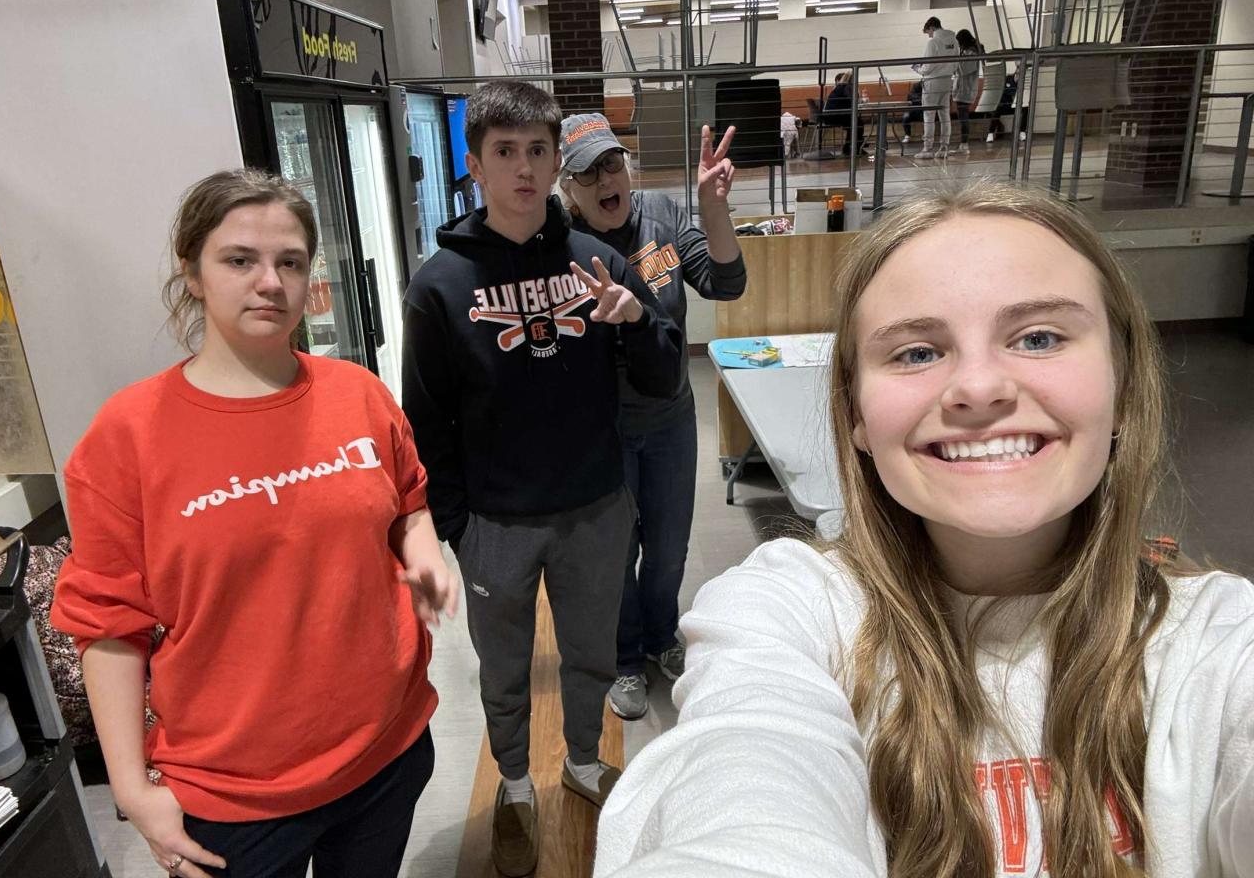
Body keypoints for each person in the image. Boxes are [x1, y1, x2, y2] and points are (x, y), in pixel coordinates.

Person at [593, 179, 1254, 878]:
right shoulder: (785, 611)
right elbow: (743, 772)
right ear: (855, 413)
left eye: (1038, 337)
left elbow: (722, 278)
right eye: (915, 352)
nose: (979, 388)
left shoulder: (1221, 642)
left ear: (1124, 383)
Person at [50, 169, 457, 878]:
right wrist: (132, 789)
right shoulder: (129, 434)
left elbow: (406, 500)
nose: (270, 282)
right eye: (240, 260)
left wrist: (423, 553)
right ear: (193, 272)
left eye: (290, 262)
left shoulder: (358, 394)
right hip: (233, 794)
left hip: (385, 752)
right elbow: (108, 625)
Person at [401, 81, 682, 877]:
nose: (523, 169)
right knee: (505, 669)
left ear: (558, 162)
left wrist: (637, 319)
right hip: (495, 523)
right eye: (505, 152)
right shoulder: (439, 284)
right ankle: (517, 785)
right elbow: (424, 420)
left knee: (592, 652)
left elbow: (663, 377)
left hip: (595, 505)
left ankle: (584, 764)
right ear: (475, 164)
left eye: (537, 151)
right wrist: (457, 526)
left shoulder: (599, 261)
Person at [558, 114, 748, 721]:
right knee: (616, 552)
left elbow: (725, 282)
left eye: (611, 163)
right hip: (599, 431)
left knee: (667, 548)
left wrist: (712, 210)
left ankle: (662, 635)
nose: (604, 180)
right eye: (587, 173)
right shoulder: (557, 243)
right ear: (568, 189)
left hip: (669, 419)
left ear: (627, 166)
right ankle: (624, 657)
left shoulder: (662, 215)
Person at [912, 16, 958, 160]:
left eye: (928, 32)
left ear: (932, 27)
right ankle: (944, 146)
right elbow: (956, 63)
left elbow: (928, 66)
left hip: (932, 81)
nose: (929, 36)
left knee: (929, 115)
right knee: (945, 115)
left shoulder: (933, 42)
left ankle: (927, 148)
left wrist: (917, 69)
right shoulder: (954, 41)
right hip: (947, 80)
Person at [953, 29, 984, 155]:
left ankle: (964, 144)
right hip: (962, 89)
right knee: (962, 117)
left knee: (963, 118)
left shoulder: (971, 53)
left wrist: (955, 60)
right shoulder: (967, 52)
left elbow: (963, 70)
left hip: (965, 89)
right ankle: (963, 144)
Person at [825, 72, 867, 157]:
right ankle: (855, 147)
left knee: (855, 123)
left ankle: (850, 147)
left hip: (830, 116)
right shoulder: (847, 87)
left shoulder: (840, 87)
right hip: (836, 116)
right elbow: (853, 101)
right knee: (858, 123)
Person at [988, 69, 1030, 144]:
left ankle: (1022, 132)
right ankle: (990, 133)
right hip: (1007, 105)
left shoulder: (1025, 82)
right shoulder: (1008, 78)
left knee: (1026, 109)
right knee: (997, 109)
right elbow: (1003, 92)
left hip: (1018, 105)